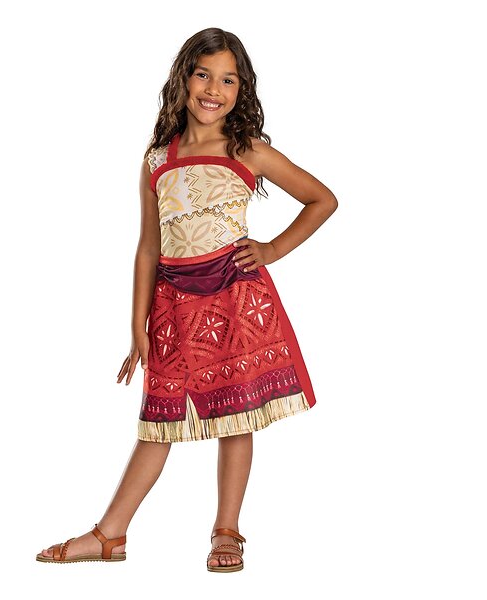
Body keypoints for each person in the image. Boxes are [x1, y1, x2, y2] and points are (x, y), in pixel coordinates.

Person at [36, 27, 337, 573]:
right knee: (158, 419)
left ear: (242, 89)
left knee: (237, 416)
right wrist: (138, 325)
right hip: (173, 306)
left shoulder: (248, 151)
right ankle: (110, 535)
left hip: (234, 300)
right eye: (203, 75)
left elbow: (322, 199)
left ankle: (227, 531)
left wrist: (271, 249)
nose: (213, 89)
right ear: (183, 79)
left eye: (228, 79)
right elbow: (148, 247)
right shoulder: (157, 159)